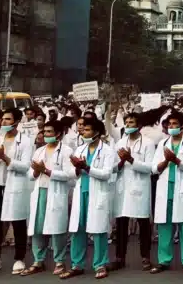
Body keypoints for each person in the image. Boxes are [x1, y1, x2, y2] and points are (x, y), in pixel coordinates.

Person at [0, 108, 34, 276]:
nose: (3, 122)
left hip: (15, 186)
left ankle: (19, 258)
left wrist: (4, 157)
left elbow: (25, 167)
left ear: (17, 121)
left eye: (8, 119)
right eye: (3, 119)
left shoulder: (25, 141)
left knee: (17, 223)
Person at [62, 118, 115, 280]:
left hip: (97, 193)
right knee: (78, 229)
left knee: (99, 230)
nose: (82, 132)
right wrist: (77, 169)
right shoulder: (79, 150)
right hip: (81, 192)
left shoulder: (107, 151)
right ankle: (77, 264)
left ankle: (100, 264)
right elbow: (69, 173)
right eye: (82, 129)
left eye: (86, 130)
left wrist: (87, 167)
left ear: (97, 132)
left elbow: (106, 174)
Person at [21, 121, 75, 276]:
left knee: (58, 229)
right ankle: (39, 260)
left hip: (56, 193)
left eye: (50, 132)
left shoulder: (66, 151)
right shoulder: (39, 151)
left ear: (58, 134)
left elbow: (70, 175)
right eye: (44, 132)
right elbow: (30, 176)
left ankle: (59, 261)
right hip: (40, 192)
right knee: (38, 228)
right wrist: (37, 172)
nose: (46, 135)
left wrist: (46, 170)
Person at [150, 113, 183, 274]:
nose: (172, 127)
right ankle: (164, 260)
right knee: (164, 225)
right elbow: (154, 168)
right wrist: (166, 160)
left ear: (181, 125)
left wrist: (176, 160)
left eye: (175, 124)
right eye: (169, 124)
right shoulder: (162, 144)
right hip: (166, 188)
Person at [110, 112, 156, 272]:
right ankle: (119, 257)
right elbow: (113, 167)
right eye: (127, 122)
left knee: (143, 223)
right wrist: (122, 161)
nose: (128, 125)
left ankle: (145, 257)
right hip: (123, 187)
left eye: (131, 122)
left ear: (139, 126)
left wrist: (131, 160)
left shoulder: (148, 143)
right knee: (121, 223)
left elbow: (150, 167)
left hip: (140, 186)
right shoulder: (120, 143)